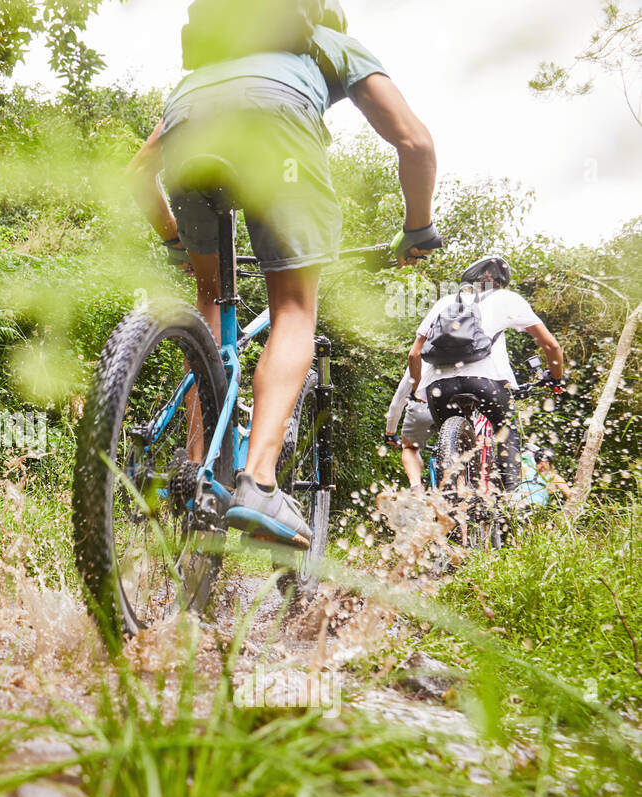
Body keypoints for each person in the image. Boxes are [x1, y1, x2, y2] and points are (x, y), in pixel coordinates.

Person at [127, 2, 440, 548]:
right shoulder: (327, 40)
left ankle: (196, 468)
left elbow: (135, 174)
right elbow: (415, 142)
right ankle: (259, 483)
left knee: (208, 298)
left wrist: (174, 239)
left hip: (188, 136)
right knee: (294, 309)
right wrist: (418, 228)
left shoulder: (205, 67)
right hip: (279, 134)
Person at [408, 255, 565, 492]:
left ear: (471, 280)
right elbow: (551, 346)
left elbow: (414, 354)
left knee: (447, 446)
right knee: (506, 430)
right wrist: (556, 378)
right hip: (486, 382)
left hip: (439, 387)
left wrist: (416, 391)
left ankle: (451, 497)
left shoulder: (446, 301)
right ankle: (509, 500)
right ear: (502, 282)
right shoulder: (508, 299)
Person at [384, 366, 434, 492]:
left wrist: (391, 432)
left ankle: (416, 487)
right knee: (460, 452)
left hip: (424, 407)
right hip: (457, 407)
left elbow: (398, 402)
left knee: (410, 448)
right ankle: (461, 493)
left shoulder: (422, 356)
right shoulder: (475, 351)